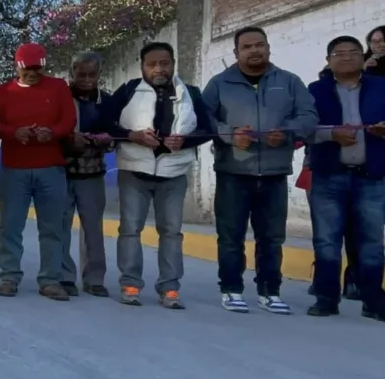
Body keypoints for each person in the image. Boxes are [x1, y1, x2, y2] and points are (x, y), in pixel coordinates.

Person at [202, 26, 317, 314]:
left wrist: (287, 132)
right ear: (236, 52)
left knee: (272, 238)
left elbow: (309, 116)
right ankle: (231, 289)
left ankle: (270, 291)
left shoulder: (289, 82)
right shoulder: (219, 84)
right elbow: (203, 119)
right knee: (230, 237)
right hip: (232, 172)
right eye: (247, 47)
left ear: (268, 48)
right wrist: (230, 135)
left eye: (259, 45)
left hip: (275, 173)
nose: (254, 51)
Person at [105, 42, 213, 309]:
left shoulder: (191, 94)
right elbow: (104, 122)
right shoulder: (128, 91)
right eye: (152, 64)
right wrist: (132, 136)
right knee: (130, 230)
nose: (158, 69)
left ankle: (170, 289)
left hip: (173, 174)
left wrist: (185, 142)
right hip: (134, 172)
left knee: (172, 232)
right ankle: (130, 284)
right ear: (142, 66)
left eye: (164, 63)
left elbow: (208, 129)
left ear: (173, 63)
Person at [305, 36, 385, 321]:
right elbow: (303, 128)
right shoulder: (315, 90)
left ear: (363, 58)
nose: (347, 57)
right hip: (329, 175)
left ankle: (374, 300)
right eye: (339, 53)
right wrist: (331, 134)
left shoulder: (381, 86)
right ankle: (326, 298)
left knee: (372, 241)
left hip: (372, 176)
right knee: (326, 240)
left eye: (353, 52)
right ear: (329, 60)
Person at [0, 43, 77, 300]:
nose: (32, 73)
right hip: (14, 168)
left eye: (37, 68)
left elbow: (68, 120)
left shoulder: (58, 87)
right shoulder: (2, 92)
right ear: (17, 67)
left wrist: (53, 132)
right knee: (11, 226)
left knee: (52, 227)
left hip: (50, 167)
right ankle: (9, 276)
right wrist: (12, 133)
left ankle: (50, 279)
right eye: (27, 69)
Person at [61, 51, 113, 297]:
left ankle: (94, 279)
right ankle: (64, 277)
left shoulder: (107, 101)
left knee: (93, 229)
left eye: (92, 74)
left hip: (93, 173)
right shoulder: (59, 98)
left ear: (100, 74)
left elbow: (115, 133)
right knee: (60, 227)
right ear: (71, 72)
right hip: (61, 172)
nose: (86, 79)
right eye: (80, 74)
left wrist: (105, 141)